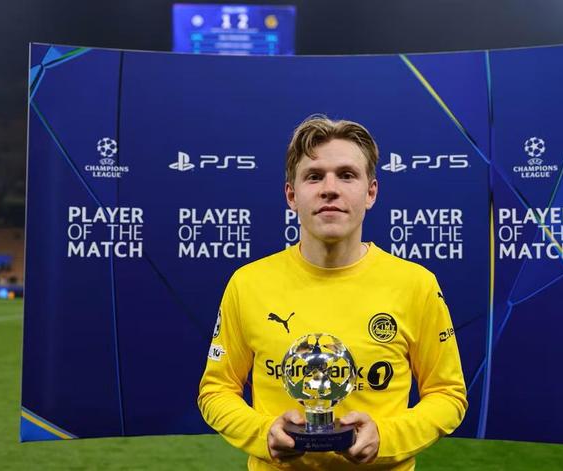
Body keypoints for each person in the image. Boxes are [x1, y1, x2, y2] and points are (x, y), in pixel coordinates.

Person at [198, 116, 467, 470]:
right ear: (291, 195)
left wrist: (386, 437)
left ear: (371, 192)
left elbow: (448, 395)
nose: (330, 189)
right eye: (314, 176)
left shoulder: (416, 284)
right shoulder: (247, 283)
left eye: (346, 175)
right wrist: (263, 432)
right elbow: (216, 390)